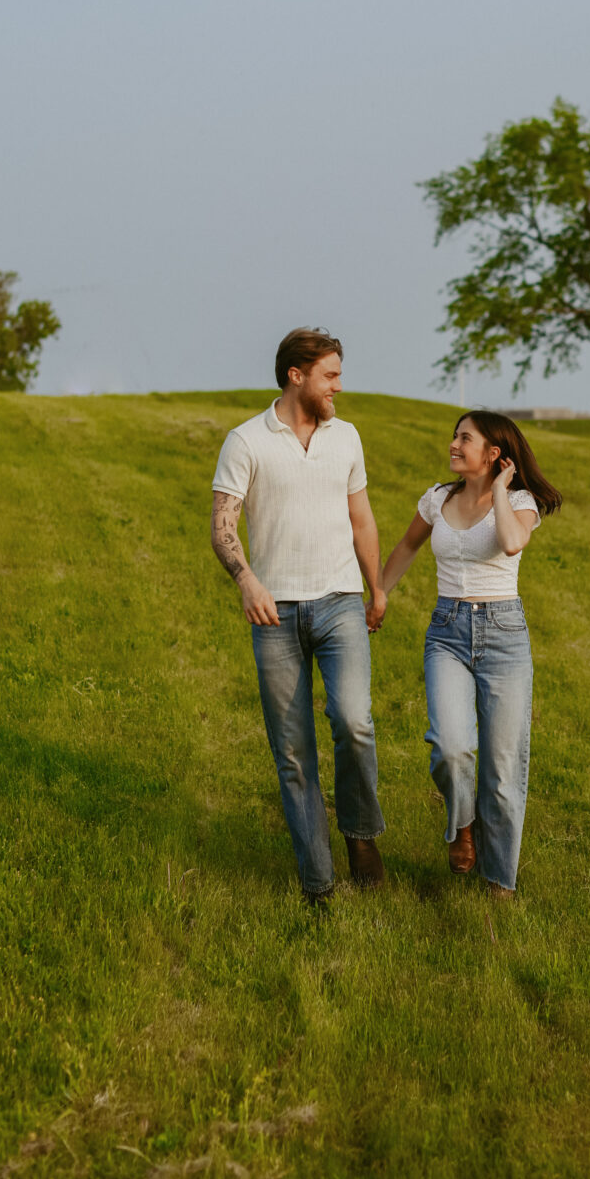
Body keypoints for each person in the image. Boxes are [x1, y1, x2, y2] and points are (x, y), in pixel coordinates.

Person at [210, 328, 387, 903]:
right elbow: (222, 526)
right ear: (297, 376)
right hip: (275, 617)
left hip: (340, 603)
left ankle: (359, 833)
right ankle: (319, 883)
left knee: (354, 722)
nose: (340, 385)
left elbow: (361, 519)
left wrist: (375, 587)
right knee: (292, 752)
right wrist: (246, 580)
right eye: (330, 375)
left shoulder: (347, 437)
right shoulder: (246, 441)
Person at [381, 411, 561, 897]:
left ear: (495, 453)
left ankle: (498, 880)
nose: (453, 444)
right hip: (446, 632)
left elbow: (510, 543)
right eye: (455, 436)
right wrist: (378, 595)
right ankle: (462, 825)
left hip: (504, 634)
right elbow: (406, 547)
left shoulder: (521, 502)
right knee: (450, 745)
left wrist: (500, 489)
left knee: (503, 768)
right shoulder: (438, 499)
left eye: (466, 438)